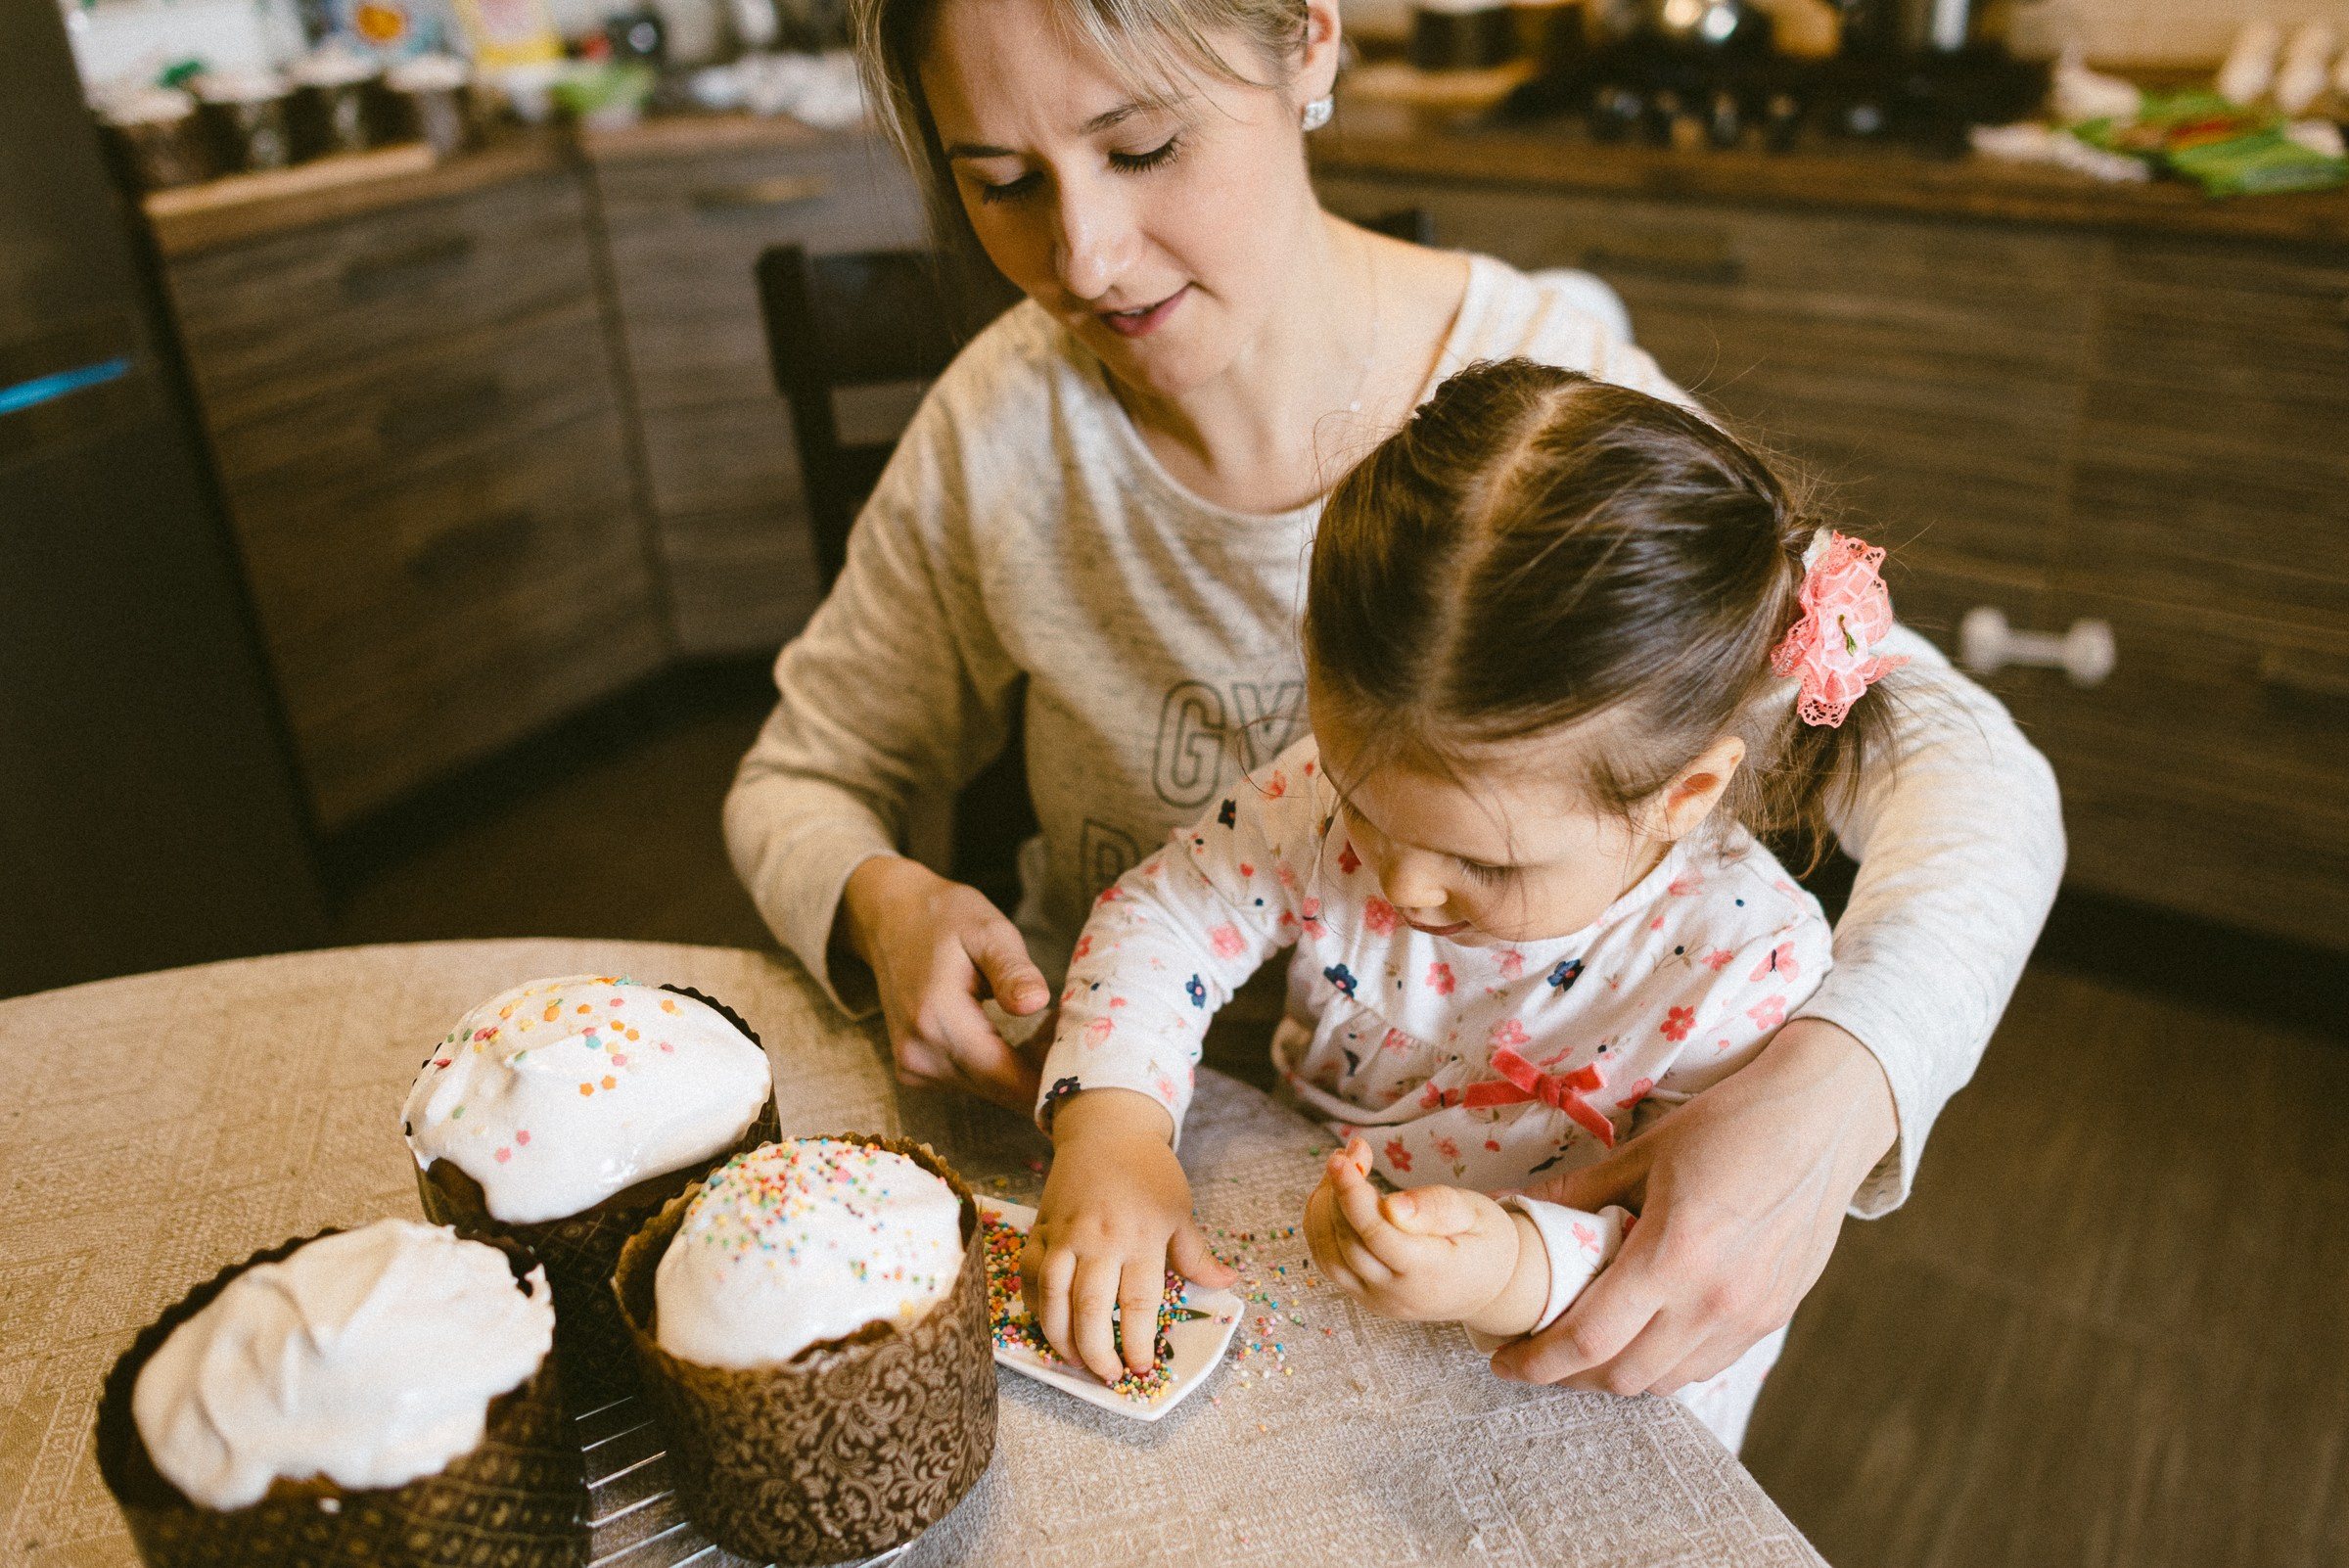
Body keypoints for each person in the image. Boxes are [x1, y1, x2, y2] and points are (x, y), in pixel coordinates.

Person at [723, 0, 2063, 1408]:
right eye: (998, 181)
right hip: (1118, 1172)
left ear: (1309, 39)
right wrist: (876, 897)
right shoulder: (996, 427)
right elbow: (797, 779)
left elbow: (1954, 759)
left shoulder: (1552, 440)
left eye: (1146, 144)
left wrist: (1844, 1087)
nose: (1085, 260)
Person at [1025, 360, 1901, 1450]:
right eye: (1363, 811)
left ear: (1682, 798)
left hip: (1584, 1379)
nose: (1398, 885)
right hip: (1333, 1279)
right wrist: (1113, 1127)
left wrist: (1504, 1269)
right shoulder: (1324, 801)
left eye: (1479, 866)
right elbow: (1166, 919)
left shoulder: (1745, 963)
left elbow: (1686, 1262)